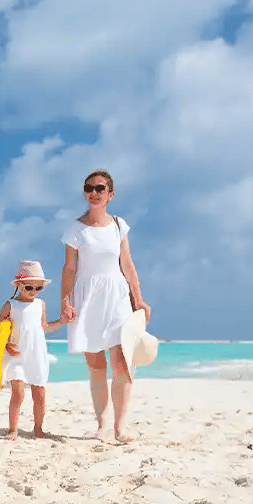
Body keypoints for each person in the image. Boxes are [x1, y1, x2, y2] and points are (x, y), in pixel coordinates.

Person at [60, 169, 151, 443]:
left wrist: (139, 299)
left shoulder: (119, 225)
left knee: (121, 361)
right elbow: (69, 269)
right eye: (90, 188)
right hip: (87, 297)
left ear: (110, 195)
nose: (94, 193)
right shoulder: (75, 229)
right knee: (96, 363)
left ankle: (120, 427)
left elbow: (128, 264)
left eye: (100, 188)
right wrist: (65, 301)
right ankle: (102, 424)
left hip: (117, 296)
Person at [0, 260, 66, 440]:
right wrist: (6, 344)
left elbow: (44, 327)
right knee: (18, 393)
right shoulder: (10, 305)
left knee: (39, 395)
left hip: (36, 354)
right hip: (15, 355)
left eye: (38, 288)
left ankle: (38, 428)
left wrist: (61, 322)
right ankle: (13, 429)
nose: (33, 292)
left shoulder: (40, 305)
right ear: (18, 284)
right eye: (29, 287)